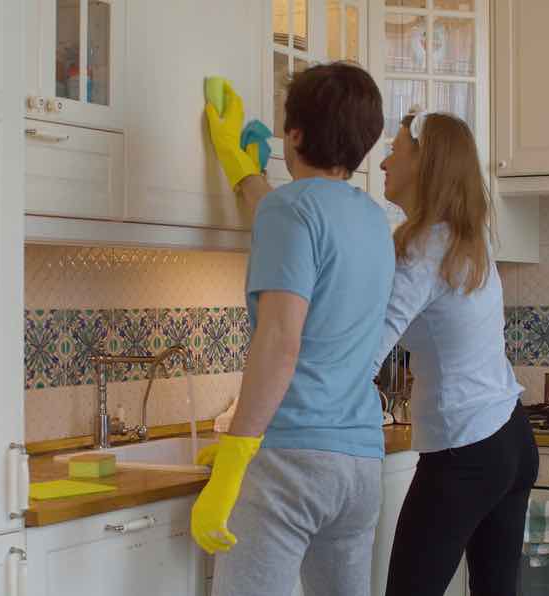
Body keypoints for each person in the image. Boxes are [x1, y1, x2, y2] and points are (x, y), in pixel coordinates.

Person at [191, 63, 393, 596]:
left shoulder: (290, 211)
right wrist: (243, 174)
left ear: (295, 133)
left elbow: (280, 341)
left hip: (291, 462)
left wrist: (236, 455)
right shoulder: (373, 220)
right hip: (359, 465)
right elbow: (297, 221)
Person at [374, 111, 539, 596]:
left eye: (396, 151)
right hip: (510, 438)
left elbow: (367, 351)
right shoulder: (467, 238)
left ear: (424, 165)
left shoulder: (422, 251)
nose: (383, 163)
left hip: (464, 450)